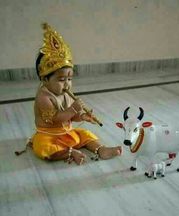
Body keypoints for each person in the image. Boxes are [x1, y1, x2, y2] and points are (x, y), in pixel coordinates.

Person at [31, 23, 122, 165]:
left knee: (85, 134)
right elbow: (56, 119)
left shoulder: (65, 93)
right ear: (44, 79)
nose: (67, 84)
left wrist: (81, 116)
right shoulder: (44, 97)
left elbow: (70, 118)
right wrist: (73, 109)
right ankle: (70, 152)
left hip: (66, 133)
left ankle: (101, 149)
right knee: (44, 148)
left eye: (69, 78)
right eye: (61, 79)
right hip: (48, 134)